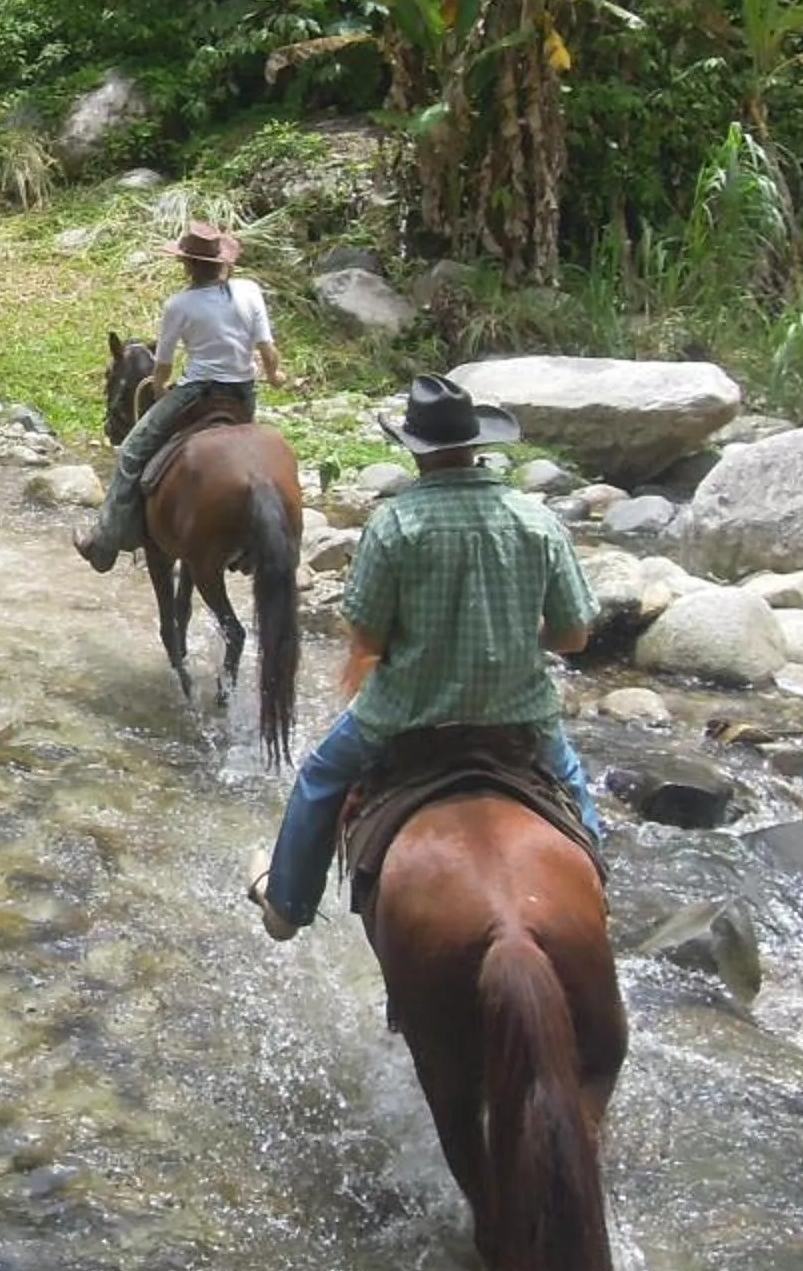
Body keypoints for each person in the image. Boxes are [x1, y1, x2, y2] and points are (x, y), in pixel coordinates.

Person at [247, 373, 604, 943]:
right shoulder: (535, 519)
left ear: (416, 452)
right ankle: (600, 905)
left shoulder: (395, 524)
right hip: (519, 718)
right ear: (477, 445)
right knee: (574, 789)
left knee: (319, 776)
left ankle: (287, 905)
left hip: (404, 716)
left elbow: (370, 640)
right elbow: (573, 637)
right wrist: (511, 635)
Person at [72, 223, 283, 571]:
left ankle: (105, 542)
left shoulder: (179, 304)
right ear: (222, 263)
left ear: (187, 265)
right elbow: (268, 351)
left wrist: (157, 389)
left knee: (131, 451)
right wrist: (275, 375)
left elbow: (164, 366)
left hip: (197, 392)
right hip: (243, 396)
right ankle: (254, 544)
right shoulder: (249, 290)